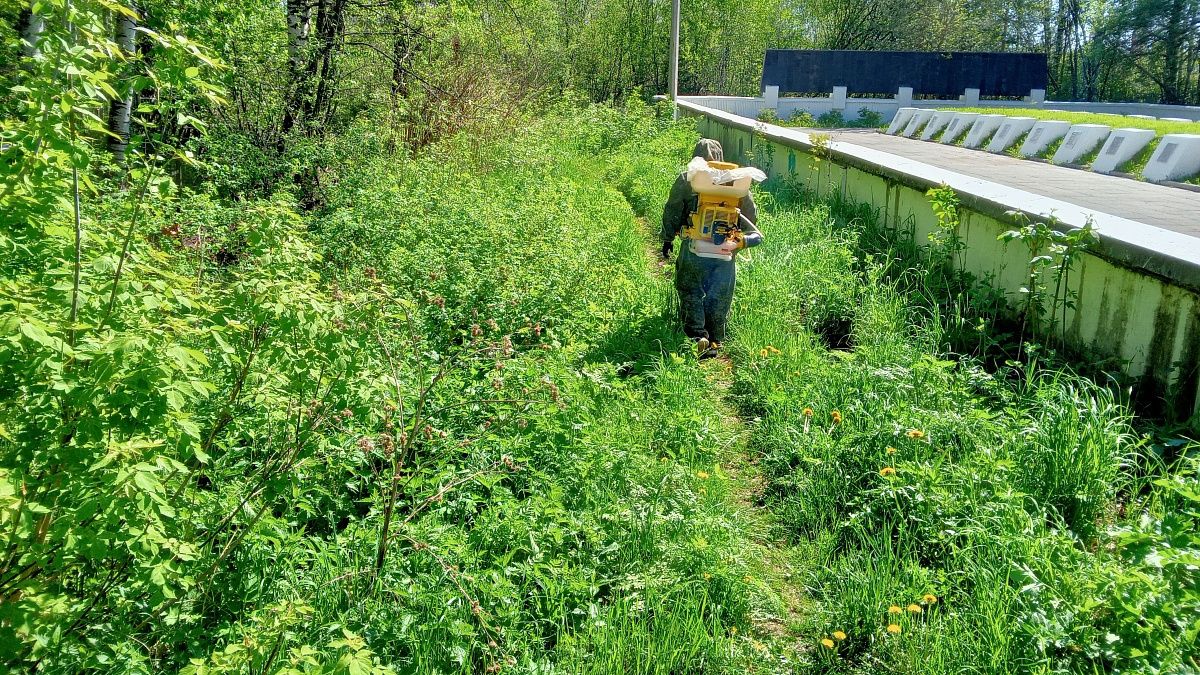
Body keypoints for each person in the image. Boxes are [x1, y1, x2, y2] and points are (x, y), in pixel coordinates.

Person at [661, 139, 763, 358]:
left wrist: (668, 237)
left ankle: (698, 337)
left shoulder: (688, 178)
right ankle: (716, 340)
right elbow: (751, 217)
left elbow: (673, 210)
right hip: (727, 247)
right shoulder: (736, 181)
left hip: (694, 246)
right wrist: (739, 241)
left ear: (695, 156)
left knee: (690, 290)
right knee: (720, 293)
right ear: (721, 156)